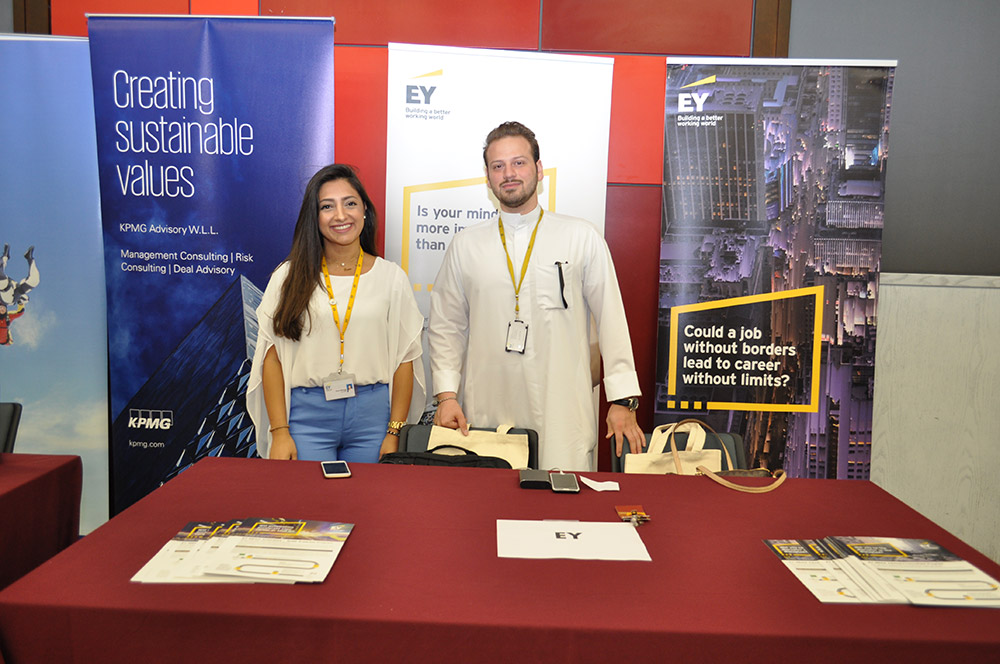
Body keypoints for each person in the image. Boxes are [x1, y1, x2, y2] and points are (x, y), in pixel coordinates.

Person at [428, 121, 643, 471]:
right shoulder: (466, 245)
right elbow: (445, 326)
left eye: (519, 163)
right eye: (498, 166)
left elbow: (611, 319)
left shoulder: (581, 236)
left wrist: (622, 399)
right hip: (486, 410)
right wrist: (447, 396)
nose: (509, 174)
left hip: (562, 411)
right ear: (487, 178)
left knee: (562, 498)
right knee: (491, 498)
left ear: (539, 170)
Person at [246, 164, 425, 462]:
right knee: (308, 494)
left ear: (364, 210)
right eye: (327, 207)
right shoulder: (288, 276)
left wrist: (395, 431)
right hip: (306, 421)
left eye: (350, 203)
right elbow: (272, 358)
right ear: (314, 218)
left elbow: (404, 360)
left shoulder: (391, 278)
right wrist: (279, 432)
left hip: (373, 421)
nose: (341, 215)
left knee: (369, 494)